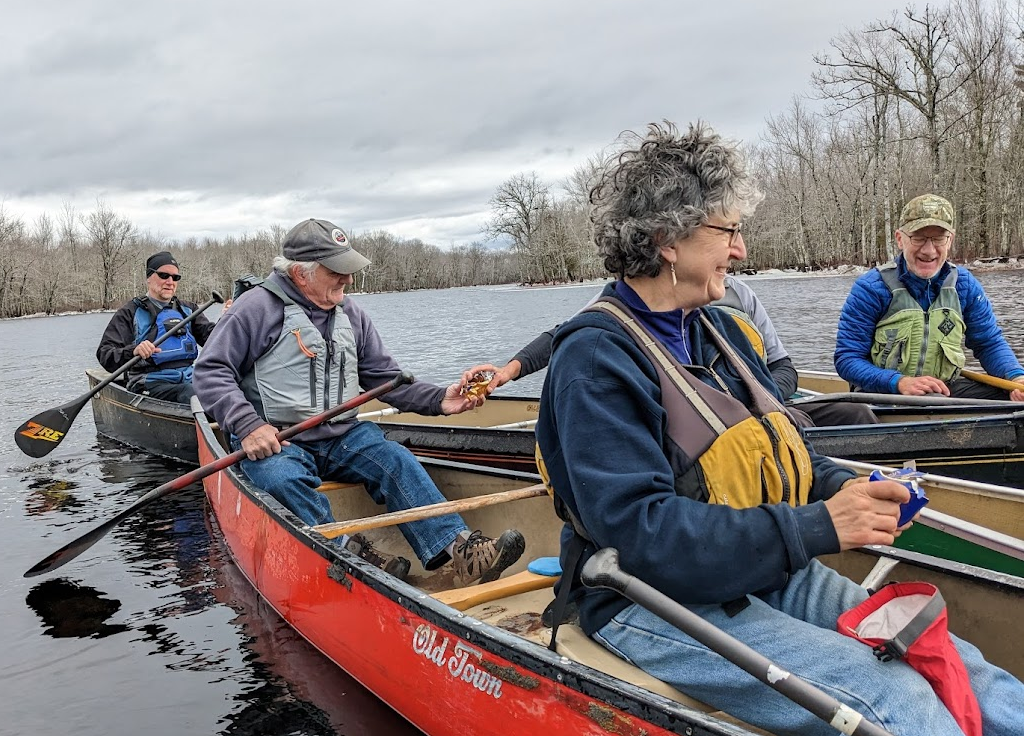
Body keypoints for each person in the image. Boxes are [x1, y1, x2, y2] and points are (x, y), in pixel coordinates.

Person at [535, 121, 1024, 736]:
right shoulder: (595, 359)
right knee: (878, 696)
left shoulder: (720, 330)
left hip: (757, 563)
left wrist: (848, 486)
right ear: (666, 240)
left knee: (949, 660)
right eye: (724, 230)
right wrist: (820, 525)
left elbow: (783, 456)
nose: (739, 247)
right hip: (647, 597)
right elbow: (643, 536)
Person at [192, 218, 525, 588]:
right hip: (277, 442)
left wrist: (440, 399)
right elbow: (209, 371)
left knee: (396, 459)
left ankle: (461, 550)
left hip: (341, 437)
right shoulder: (255, 309)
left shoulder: (350, 314)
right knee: (281, 479)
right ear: (302, 274)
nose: (348, 280)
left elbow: (384, 379)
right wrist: (249, 426)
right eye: (338, 271)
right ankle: (350, 552)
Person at [462, 275, 877, 427]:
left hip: (758, 406)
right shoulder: (624, 308)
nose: (737, 251)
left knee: (855, 414)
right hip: (699, 421)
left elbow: (782, 366)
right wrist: (507, 371)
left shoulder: (740, 297)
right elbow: (560, 335)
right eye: (726, 234)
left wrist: (762, 398)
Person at [835, 193, 1024, 402]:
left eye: (938, 239)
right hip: (882, 393)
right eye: (919, 238)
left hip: (944, 390)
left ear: (950, 240)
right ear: (900, 239)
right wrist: (898, 382)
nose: (928, 250)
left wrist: (1015, 376)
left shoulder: (965, 286)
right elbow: (847, 359)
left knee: (1010, 396)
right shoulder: (871, 288)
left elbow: (988, 343)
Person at [96, 251, 217, 405]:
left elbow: (215, 340)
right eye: (163, 275)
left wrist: (229, 320)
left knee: (228, 387)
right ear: (149, 277)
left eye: (175, 277)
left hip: (189, 379)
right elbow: (105, 354)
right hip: (148, 383)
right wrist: (134, 350)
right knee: (191, 394)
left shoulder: (189, 310)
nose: (170, 281)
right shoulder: (130, 312)